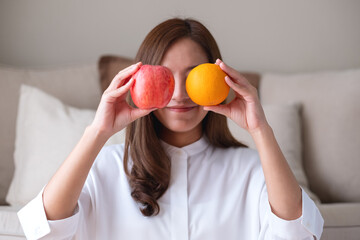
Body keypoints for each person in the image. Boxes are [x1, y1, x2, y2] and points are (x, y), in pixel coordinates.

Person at [18, 18, 324, 239]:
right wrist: (97, 131)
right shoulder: (107, 168)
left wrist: (261, 130)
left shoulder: (251, 170)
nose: (179, 93)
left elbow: (297, 233)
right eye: (165, 77)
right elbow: (45, 231)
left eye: (193, 77)